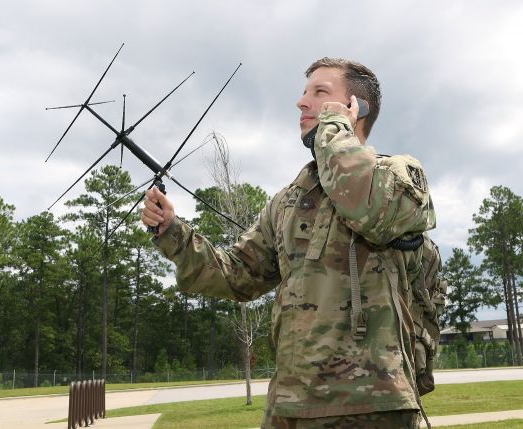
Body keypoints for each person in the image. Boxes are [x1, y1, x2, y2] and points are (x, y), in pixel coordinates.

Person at [141, 58, 436, 429]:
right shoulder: (289, 201)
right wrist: (172, 231)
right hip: (289, 407)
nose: (301, 102)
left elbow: (368, 208)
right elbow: (238, 274)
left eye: (320, 92)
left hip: (372, 404)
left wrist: (333, 128)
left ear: (354, 109)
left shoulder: (397, 174)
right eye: (303, 91)